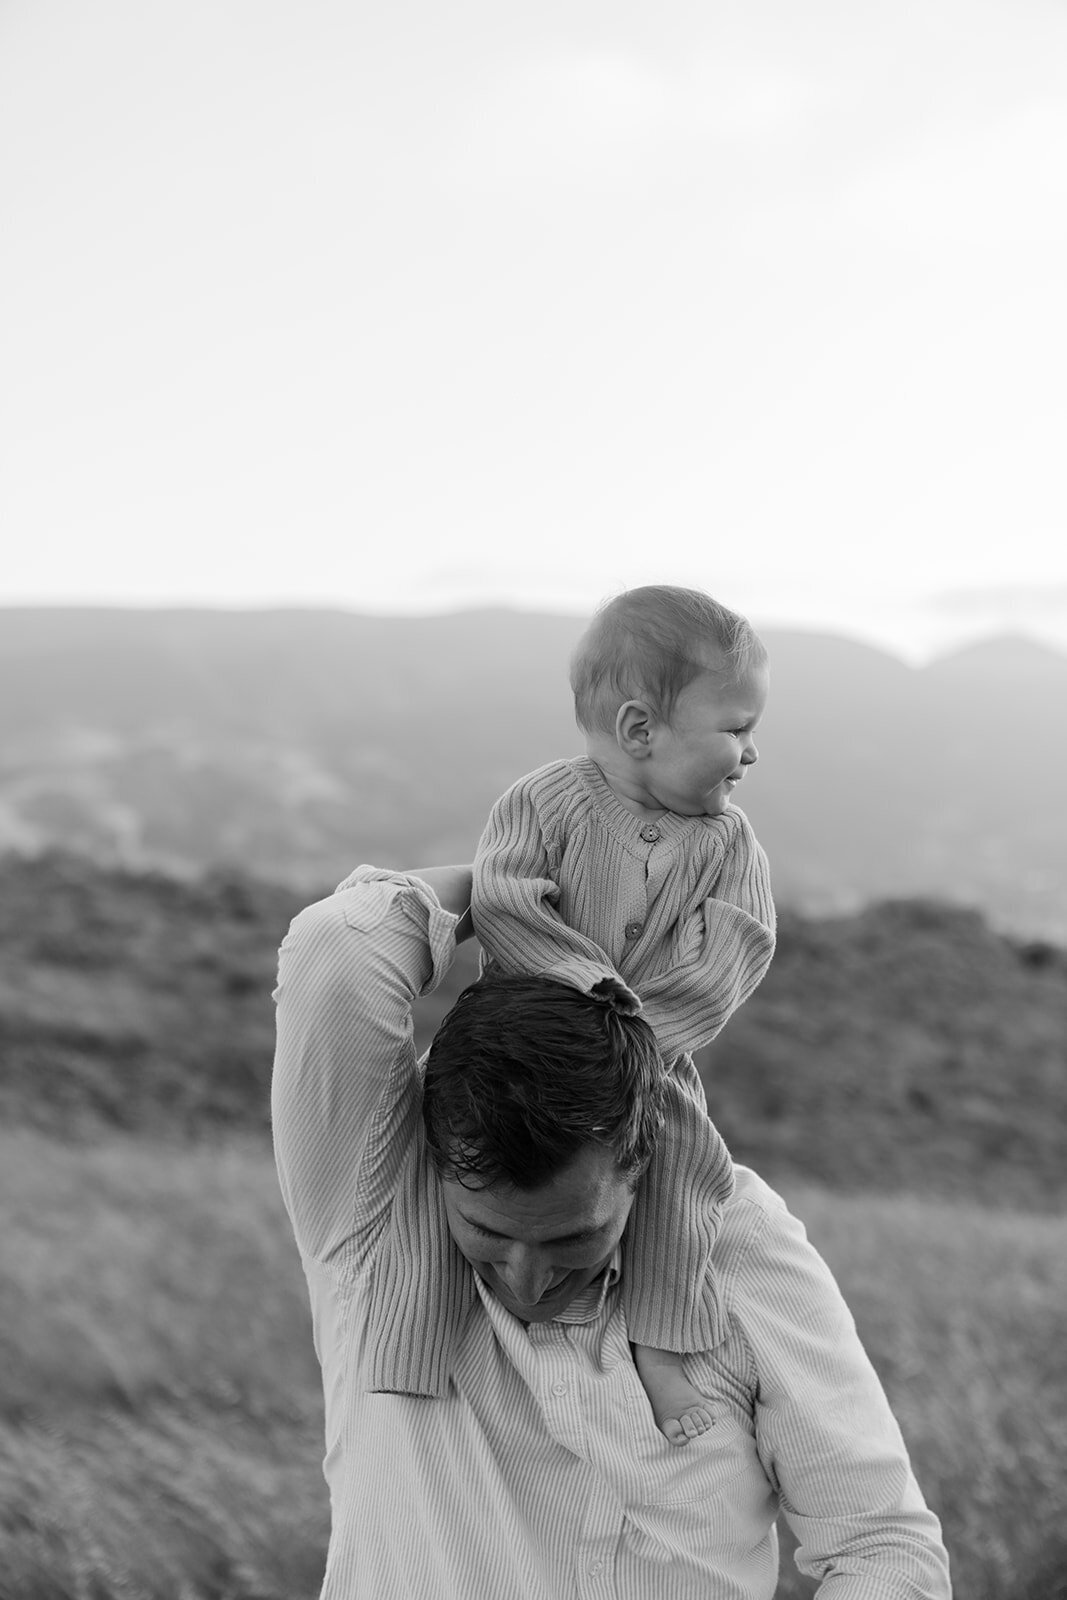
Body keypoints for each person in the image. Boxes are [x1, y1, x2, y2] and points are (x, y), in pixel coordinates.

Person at [271, 863, 953, 1599]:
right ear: (434, 1161)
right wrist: (520, 887)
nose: (527, 1280)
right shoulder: (371, 1203)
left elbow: (881, 1548)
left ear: (643, 1159)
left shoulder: (737, 1244)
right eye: (486, 1233)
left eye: (572, 1239)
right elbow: (337, 949)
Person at [410, 584, 776, 1443]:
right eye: (736, 728)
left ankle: (663, 1343)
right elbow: (507, 902)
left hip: (652, 1064)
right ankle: (420, 1339)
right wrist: (583, 995)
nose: (751, 754)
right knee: (456, 1164)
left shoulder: (729, 845)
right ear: (641, 728)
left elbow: (735, 951)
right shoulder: (543, 802)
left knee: (689, 1172)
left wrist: (636, 1041)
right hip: (520, 1052)